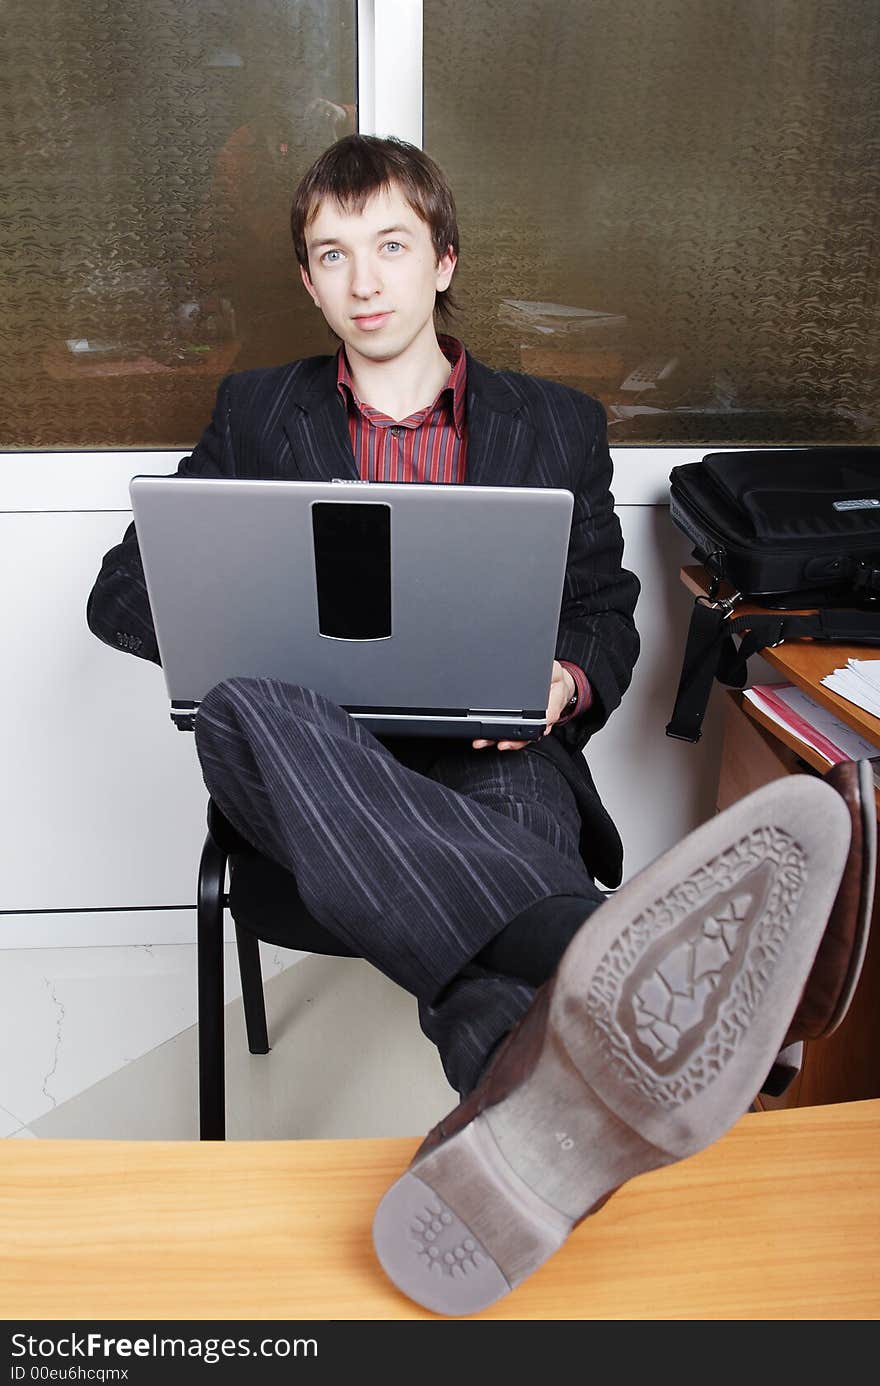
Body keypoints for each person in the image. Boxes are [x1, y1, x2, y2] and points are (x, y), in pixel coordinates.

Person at [87, 135, 874, 1317]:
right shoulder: (255, 414)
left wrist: (561, 681)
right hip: (309, 758)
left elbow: (605, 612)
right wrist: (227, 583)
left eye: (392, 246)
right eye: (333, 256)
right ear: (308, 282)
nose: (365, 281)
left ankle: (506, 1094)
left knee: (510, 802)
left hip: (490, 754)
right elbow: (118, 596)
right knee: (244, 706)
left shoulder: (553, 424)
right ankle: (581, 951)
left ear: (442, 258)